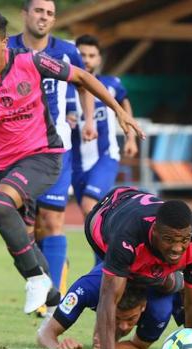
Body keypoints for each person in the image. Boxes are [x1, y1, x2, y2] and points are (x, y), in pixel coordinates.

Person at [0, 10, 143, 315]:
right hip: (3, 164)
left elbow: (83, 77)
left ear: (4, 42)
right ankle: (50, 289)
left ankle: (36, 279)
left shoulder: (30, 61)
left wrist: (119, 112)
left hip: (42, 156)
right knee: (21, 236)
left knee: (0, 205)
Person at [8, 0, 97, 296]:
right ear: (25, 15)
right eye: (38, 11)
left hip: (55, 147)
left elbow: (84, 84)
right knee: (28, 229)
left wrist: (88, 121)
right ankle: (44, 276)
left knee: (53, 219)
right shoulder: (5, 47)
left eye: (49, 13)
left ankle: (53, 300)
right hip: (15, 148)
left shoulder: (66, 52)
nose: (44, 17)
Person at [84, 186, 192, 349]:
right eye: (169, 239)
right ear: (155, 230)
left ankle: (179, 278)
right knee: (138, 277)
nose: (177, 248)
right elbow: (108, 295)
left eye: (184, 240)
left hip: (151, 209)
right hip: (112, 207)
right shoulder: (126, 239)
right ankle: (172, 280)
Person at [37, 263, 192, 349]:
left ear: (143, 307)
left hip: (183, 287)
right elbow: (45, 333)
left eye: (131, 319)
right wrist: (58, 347)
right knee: (102, 337)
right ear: (106, 306)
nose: (125, 326)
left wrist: (111, 346)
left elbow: (138, 345)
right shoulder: (86, 288)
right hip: (134, 282)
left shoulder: (157, 307)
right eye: (118, 318)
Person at [70, 34, 138, 223]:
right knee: (93, 216)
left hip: (105, 156)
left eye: (92, 56)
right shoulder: (65, 88)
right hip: (76, 162)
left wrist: (130, 138)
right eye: (82, 55)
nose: (86, 60)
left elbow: (124, 104)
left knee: (89, 205)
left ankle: (111, 249)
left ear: (99, 59)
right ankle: (106, 250)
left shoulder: (110, 85)